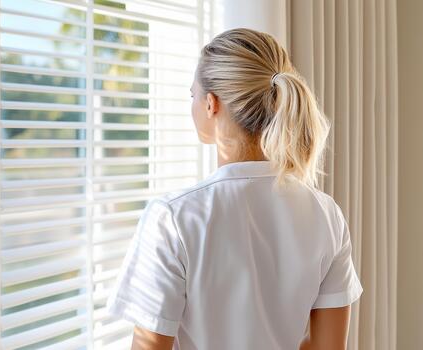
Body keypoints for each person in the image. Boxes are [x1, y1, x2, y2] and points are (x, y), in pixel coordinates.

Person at [105, 28, 363, 350]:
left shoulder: (172, 218)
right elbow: (329, 347)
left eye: (192, 96)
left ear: (211, 104)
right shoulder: (327, 214)